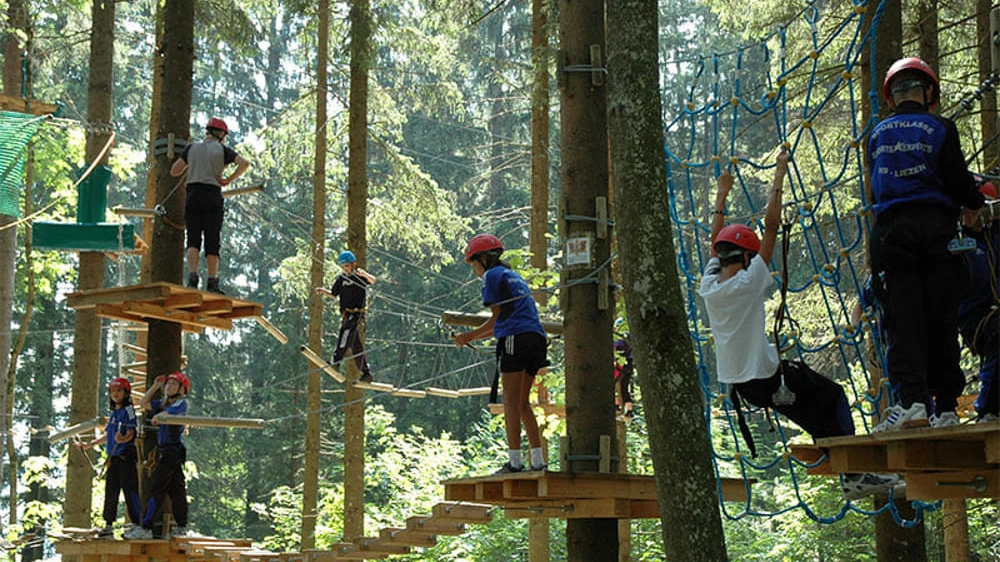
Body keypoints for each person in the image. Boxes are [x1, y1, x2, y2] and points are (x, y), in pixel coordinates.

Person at [699, 151, 897, 500]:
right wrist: (778, 173)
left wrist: (722, 193)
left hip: (743, 386)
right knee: (833, 396)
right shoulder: (750, 281)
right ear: (746, 257)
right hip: (768, 378)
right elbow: (772, 226)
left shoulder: (710, 287)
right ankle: (853, 477)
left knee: (822, 414)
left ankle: (850, 471)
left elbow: (717, 243)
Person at [866, 57, 985, 430]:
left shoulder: (878, 134)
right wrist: (977, 201)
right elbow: (957, 182)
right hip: (938, 233)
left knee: (903, 322)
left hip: (894, 234)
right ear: (929, 92)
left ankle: (912, 403)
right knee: (941, 320)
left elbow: (875, 188)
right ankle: (946, 407)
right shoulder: (940, 128)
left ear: (891, 97)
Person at [452, 234, 548, 474]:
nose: (474, 270)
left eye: (474, 264)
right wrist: (472, 336)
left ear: (484, 259)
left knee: (510, 403)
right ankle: (537, 461)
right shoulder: (513, 276)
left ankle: (515, 462)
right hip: (536, 339)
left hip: (516, 338)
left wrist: (467, 337)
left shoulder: (491, 276)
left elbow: (496, 321)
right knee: (522, 403)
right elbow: (501, 322)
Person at [170, 117, 251, 295]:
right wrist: (229, 179)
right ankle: (212, 282)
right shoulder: (222, 149)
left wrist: (192, 167)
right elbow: (244, 164)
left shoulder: (191, 147)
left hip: (192, 194)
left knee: (193, 238)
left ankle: (192, 279)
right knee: (212, 238)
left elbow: (174, 171)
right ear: (221, 134)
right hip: (212, 195)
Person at [123, 372, 191, 540]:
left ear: (181, 389)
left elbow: (166, 415)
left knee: (157, 488)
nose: (169, 387)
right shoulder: (162, 404)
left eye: (174, 384)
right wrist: (155, 386)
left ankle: (146, 527)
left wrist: (159, 416)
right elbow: (143, 403)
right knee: (177, 490)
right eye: (168, 384)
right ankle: (182, 526)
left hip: (172, 452)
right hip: (167, 453)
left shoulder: (181, 403)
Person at [74, 378, 141, 538]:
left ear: (126, 393)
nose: (116, 394)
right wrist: (89, 444)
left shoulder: (130, 410)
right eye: (113, 391)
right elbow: (108, 435)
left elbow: (132, 431)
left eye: (119, 391)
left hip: (126, 456)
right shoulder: (113, 414)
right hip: (114, 458)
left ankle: (138, 524)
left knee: (130, 490)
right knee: (111, 491)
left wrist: (123, 439)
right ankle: (108, 525)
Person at [958, 181, 999, 423]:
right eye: (965, 212)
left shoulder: (995, 239)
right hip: (976, 317)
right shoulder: (959, 243)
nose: (969, 217)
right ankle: (987, 408)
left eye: (974, 211)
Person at [315, 250, 376, 383]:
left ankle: (336, 361)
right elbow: (333, 293)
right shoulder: (341, 279)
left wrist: (364, 273)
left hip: (356, 313)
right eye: (343, 267)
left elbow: (373, 280)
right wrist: (323, 291)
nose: (345, 269)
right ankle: (366, 373)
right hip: (347, 313)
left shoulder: (359, 276)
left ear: (353, 264)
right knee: (355, 346)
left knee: (344, 332)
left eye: (347, 266)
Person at [613, 336, 635, 419]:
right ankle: (628, 411)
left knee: (613, 386)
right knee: (624, 388)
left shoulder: (617, 341)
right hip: (628, 366)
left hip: (621, 366)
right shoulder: (628, 340)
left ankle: (617, 407)